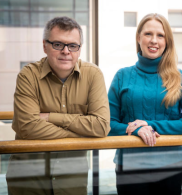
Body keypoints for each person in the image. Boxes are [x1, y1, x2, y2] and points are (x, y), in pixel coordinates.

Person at [6, 16, 110, 195]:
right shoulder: (28, 76)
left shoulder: (93, 75)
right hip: (28, 178)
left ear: (79, 49)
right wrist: (80, 133)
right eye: (58, 44)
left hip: (72, 179)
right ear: (45, 46)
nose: (66, 51)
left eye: (72, 46)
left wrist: (50, 118)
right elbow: (27, 127)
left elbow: (100, 126)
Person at [108, 13, 182, 195]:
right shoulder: (122, 76)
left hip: (170, 167)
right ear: (138, 38)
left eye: (160, 35)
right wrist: (135, 130)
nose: (154, 40)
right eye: (148, 34)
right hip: (129, 167)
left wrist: (150, 125)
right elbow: (107, 123)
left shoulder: (180, 77)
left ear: (167, 41)